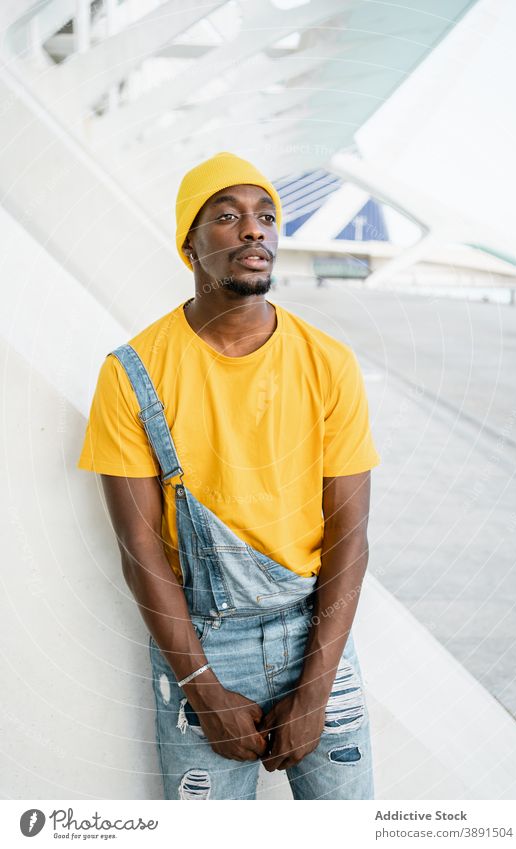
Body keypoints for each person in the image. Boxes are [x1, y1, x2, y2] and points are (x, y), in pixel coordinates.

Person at [77, 151, 381, 800]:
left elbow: (349, 536)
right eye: (227, 216)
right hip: (200, 644)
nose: (253, 230)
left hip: (317, 635)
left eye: (266, 216)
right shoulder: (132, 372)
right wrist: (201, 688)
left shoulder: (328, 364)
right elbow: (140, 547)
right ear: (189, 246)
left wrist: (315, 688)